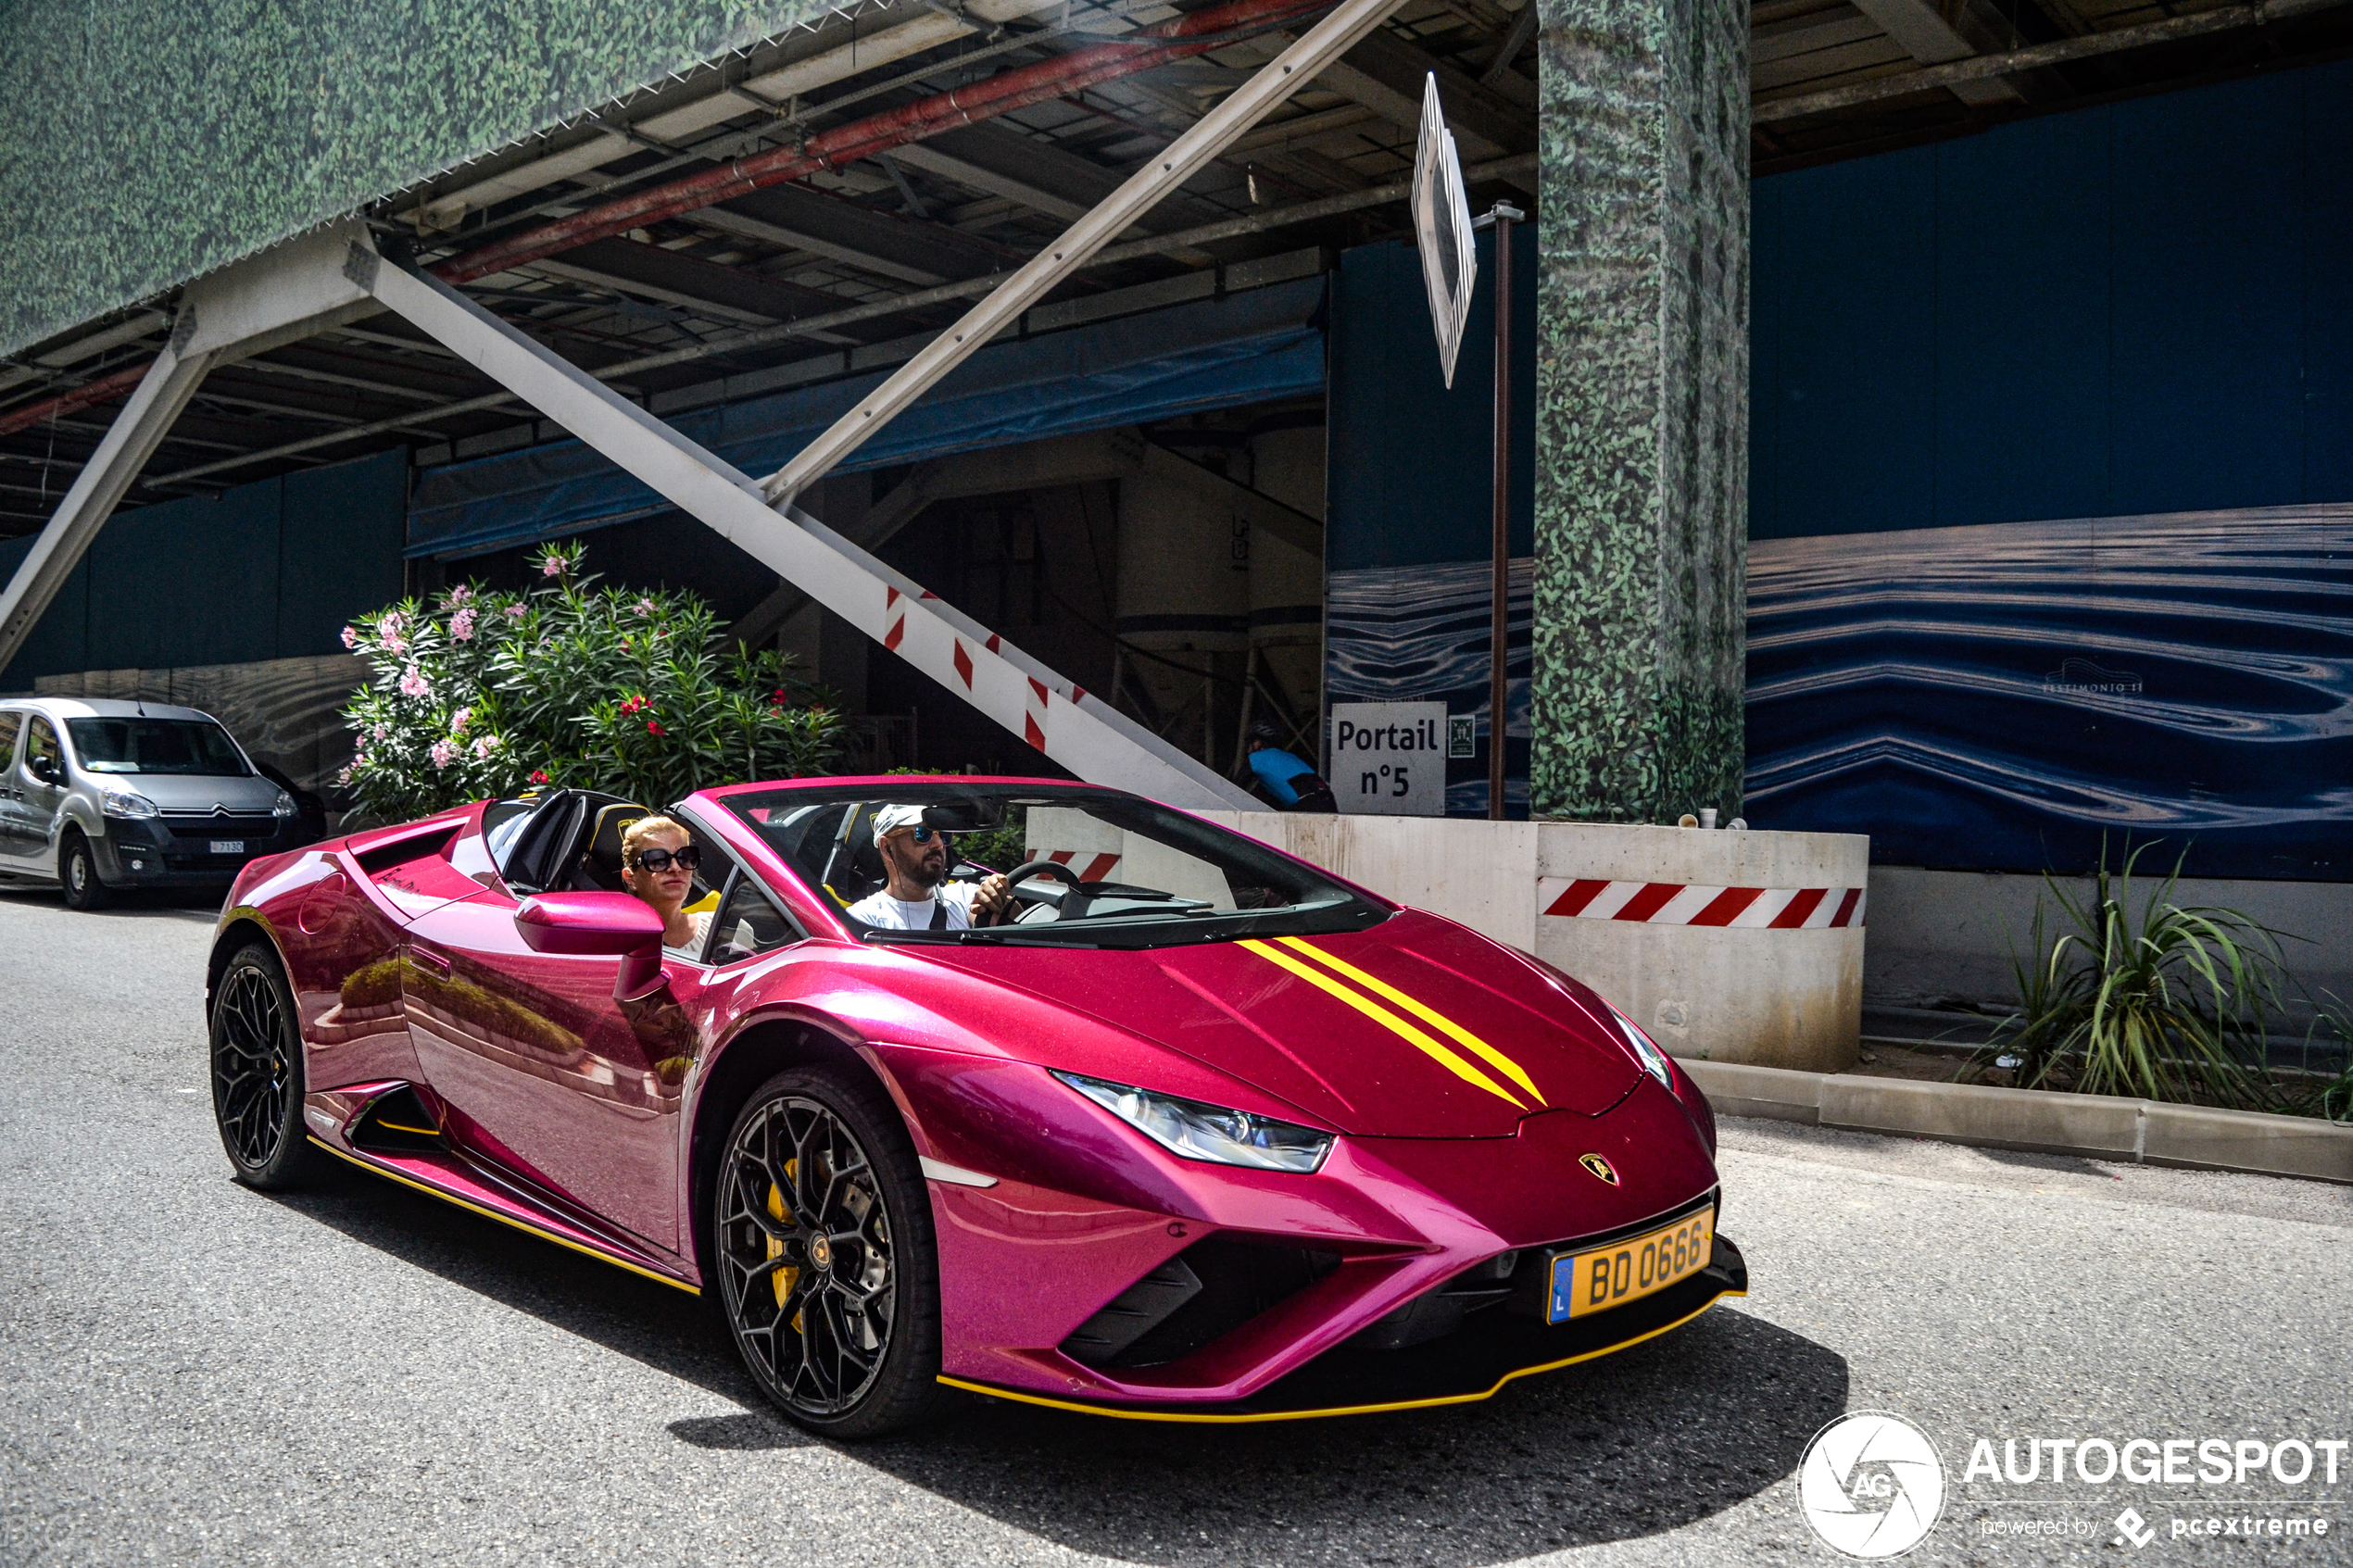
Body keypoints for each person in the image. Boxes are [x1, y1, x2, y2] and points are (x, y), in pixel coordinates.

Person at [847, 803, 1013, 930]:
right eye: (922, 833)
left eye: (944, 835)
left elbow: (1018, 917)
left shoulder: (961, 897)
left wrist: (998, 898)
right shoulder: (863, 920)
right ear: (886, 848)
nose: (938, 844)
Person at [620, 815, 712, 960]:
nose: (675, 868)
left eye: (684, 857)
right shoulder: (618, 946)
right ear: (630, 878)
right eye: (658, 860)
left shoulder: (726, 930)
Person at [1244, 720, 1337, 812]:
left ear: (1257, 743)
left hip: (1307, 803)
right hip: (1327, 799)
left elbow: (1236, 785)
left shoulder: (1257, 758)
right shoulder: (1290, 757)